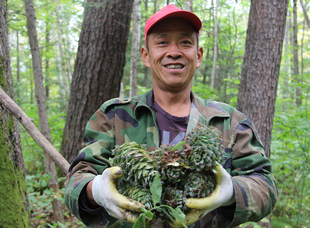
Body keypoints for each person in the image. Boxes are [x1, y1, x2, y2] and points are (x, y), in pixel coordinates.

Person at [64, 4, 278, 228]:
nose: (174, 51)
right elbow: (77, 179)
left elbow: (266, 185)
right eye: (162, 42)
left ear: (198, 55)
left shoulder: (230, 122)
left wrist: (233, 192)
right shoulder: (114, 116)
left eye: (185, 42)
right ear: (146, 56)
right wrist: (96, 190)